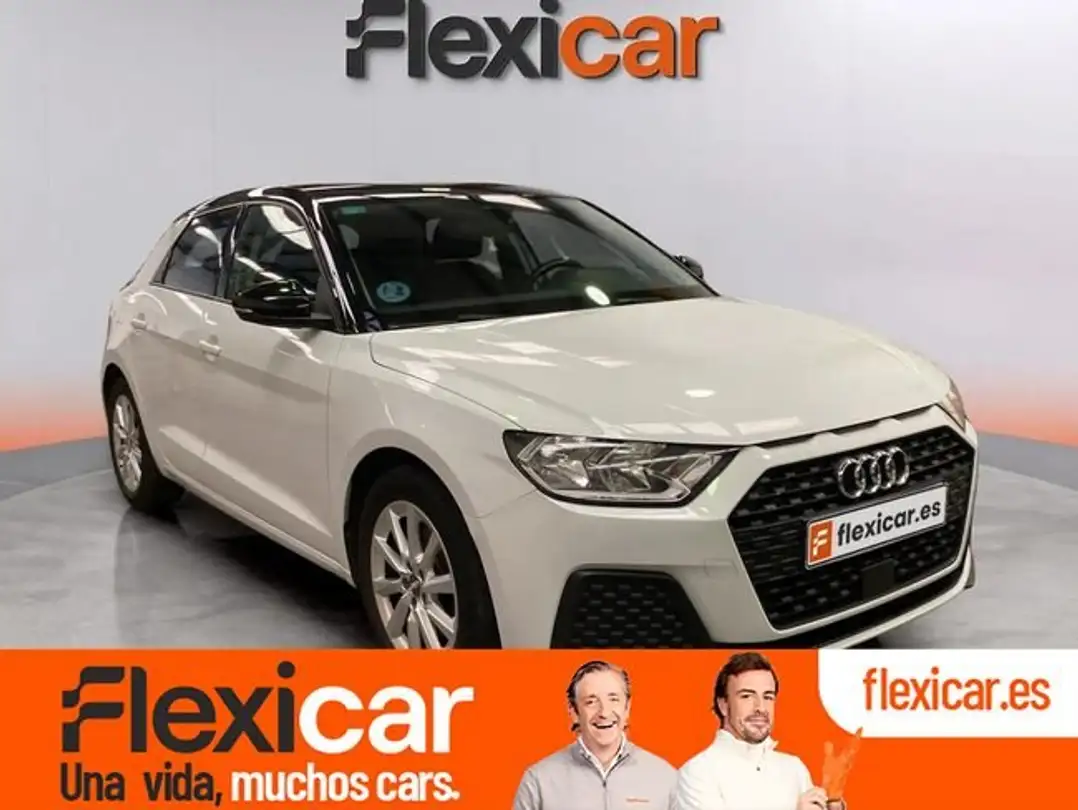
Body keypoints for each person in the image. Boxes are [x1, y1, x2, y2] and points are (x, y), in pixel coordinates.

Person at [674, 652, 848, 810]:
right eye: (747, 696)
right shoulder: (697, 773)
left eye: (768, 697)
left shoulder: (794, 768)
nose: (761, 708)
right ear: (723, 705)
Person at [513, 659, 678, 810]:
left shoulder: (665, 777)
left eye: (613, 699)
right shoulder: (538, 781)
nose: (604, 712)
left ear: (627, 708)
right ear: (573, 711)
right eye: (591, 702)